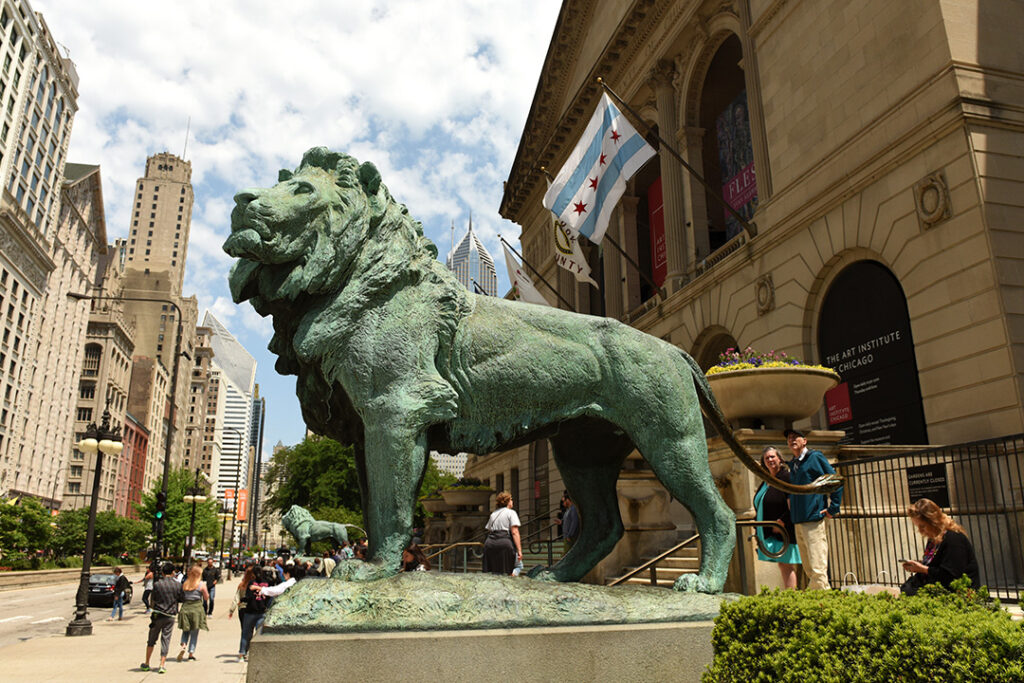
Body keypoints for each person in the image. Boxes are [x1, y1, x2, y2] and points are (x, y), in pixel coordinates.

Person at [785, 429, 842, 590]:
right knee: (809, 568)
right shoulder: (794, 463)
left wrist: (833, 507)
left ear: (805, 441)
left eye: (795, 437)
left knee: (818, 568)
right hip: (798, 520)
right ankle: (820, 602)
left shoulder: (814, 457)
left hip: (813, 519)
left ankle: (823, 603)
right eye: (789, 438)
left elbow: (836, 480)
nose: (791, 440)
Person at [900, 498, 980, 595]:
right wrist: (919, 565)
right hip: (938, 587)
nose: (920, 531)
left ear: (933, 522)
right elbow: (938, 564)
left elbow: (950, 576)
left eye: (923, 526)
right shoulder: (934, 539)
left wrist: (922, 569)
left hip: (957, 592)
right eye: (918, 527)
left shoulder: (953, 539)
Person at [753, 446, 801, 589]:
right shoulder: (766, 480)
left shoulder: (786, 477)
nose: (770, 460)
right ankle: (789, 596)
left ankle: (791, 598)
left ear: (780, 459)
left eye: (772, 456)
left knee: (786, 564)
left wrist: (782, 522)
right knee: (782, 564)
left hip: (782, 528)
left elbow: (792, 503)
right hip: (768, 529)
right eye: (767, 458)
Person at [141, 561, 184, 674]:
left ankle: (147, 662)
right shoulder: (177, 585)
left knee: (151, 639)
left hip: (158, 614)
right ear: (173, 572)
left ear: (163, 573)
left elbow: (154, 598)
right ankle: (162, 664)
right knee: (166, 639)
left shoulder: (157, 584)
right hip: (170, 615)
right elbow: (181, 598)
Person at [228, 566, 271, 662]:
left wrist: (242, 600)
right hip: (261, 611)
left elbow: (248, 596)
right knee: (260, 633)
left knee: (245, 633)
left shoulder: (251, 583)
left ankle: (242, 654)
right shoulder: (266, 583)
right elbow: (269, 598)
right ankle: (259, 654)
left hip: (250, 611)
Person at [482, 491, 521, 575]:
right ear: (508, 501)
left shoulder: (493, 514)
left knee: (495, 571)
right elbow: (515, 532)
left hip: (490, 543)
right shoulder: (511, 513)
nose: (512, 501)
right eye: (511, 499)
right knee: (517, 566)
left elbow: (489, 528)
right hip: (504, 542)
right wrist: (519, 550)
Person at [176, 564, 209, 661]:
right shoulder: (201, 584)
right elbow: (206, 597)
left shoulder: (185, 584)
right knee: (194, 632)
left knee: (185, 630)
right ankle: (191, 653)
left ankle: (183, 644)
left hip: (185, 608)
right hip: (196, 608)